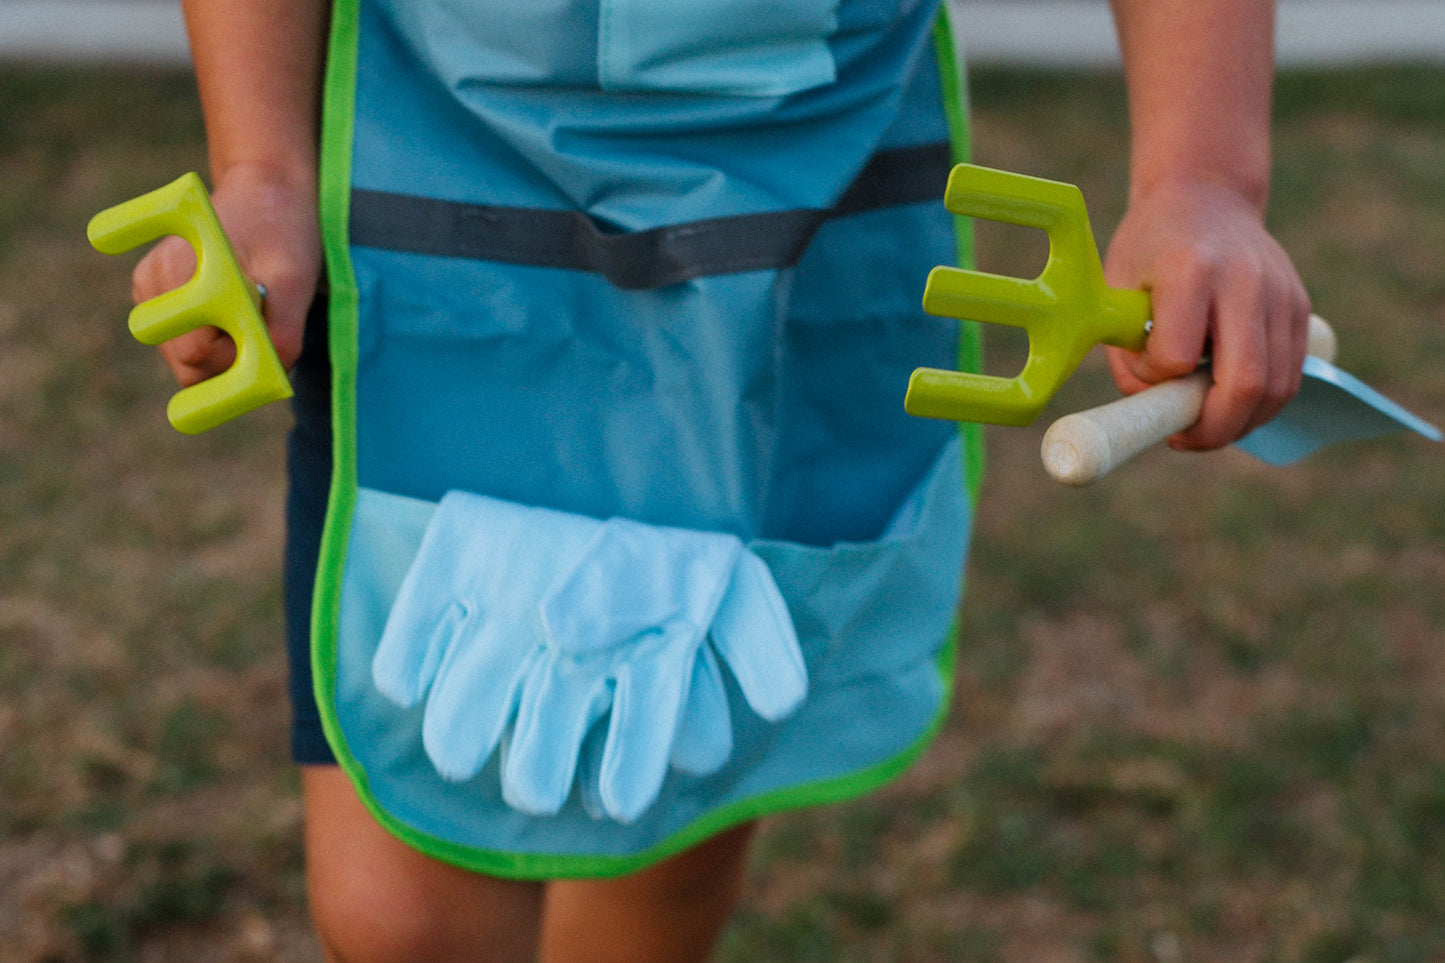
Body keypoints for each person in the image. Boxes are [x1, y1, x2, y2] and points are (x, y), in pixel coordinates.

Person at [125, 0, 1310, 960]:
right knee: (401, 918)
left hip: (797, 221)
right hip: (442, 201)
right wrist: (263, 166)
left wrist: (1200, 176)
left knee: (678, 768)